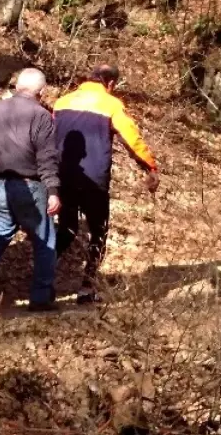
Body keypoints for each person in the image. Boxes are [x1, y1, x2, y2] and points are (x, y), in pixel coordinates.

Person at [53, 65, 159, 303]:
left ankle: (42, 280)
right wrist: (150, 166)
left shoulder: (61, 102)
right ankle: (87, 289)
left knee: (66, 231)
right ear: (110, 84)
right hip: (94, 180)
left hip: (63, 176)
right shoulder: (111, 105)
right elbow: (132, 138)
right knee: (98, 232)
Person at [0, 68, 61, 311]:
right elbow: (47, 158)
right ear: (42, 91)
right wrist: (54, 190)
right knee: (45, 241)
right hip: (30, 184)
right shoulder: (41, 116)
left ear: (16, 86)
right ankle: (40, 298)